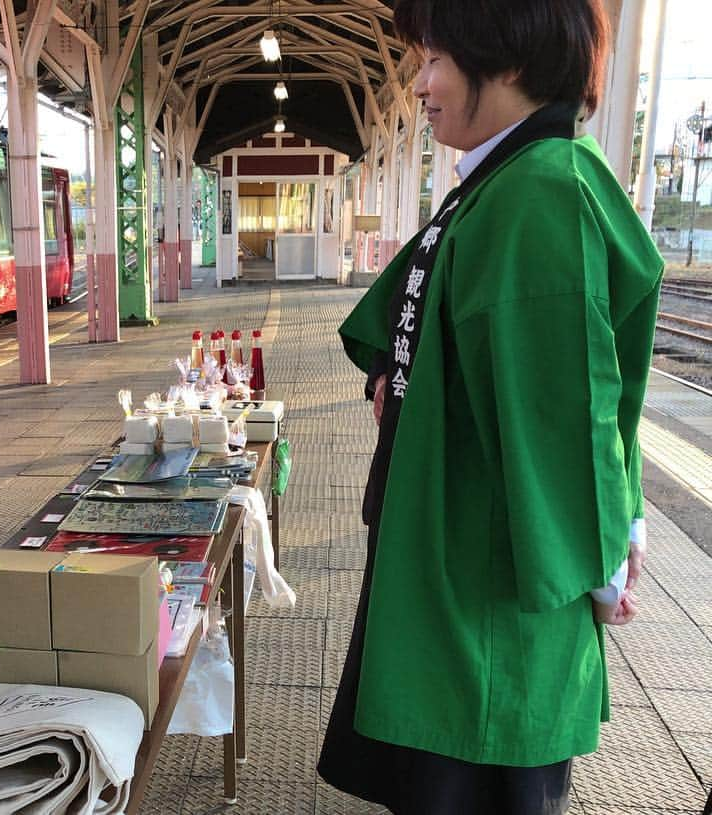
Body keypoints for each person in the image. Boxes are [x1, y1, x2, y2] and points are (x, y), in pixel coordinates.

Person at [317, 1, 662, 812]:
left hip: (488, 609)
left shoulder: (539, 194)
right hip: (457, 582)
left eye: (436, 58)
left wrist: (603, 564)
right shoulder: (509, 182)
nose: (421, 83)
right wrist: (397, 375)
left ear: (505, 60)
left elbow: (565, 409)